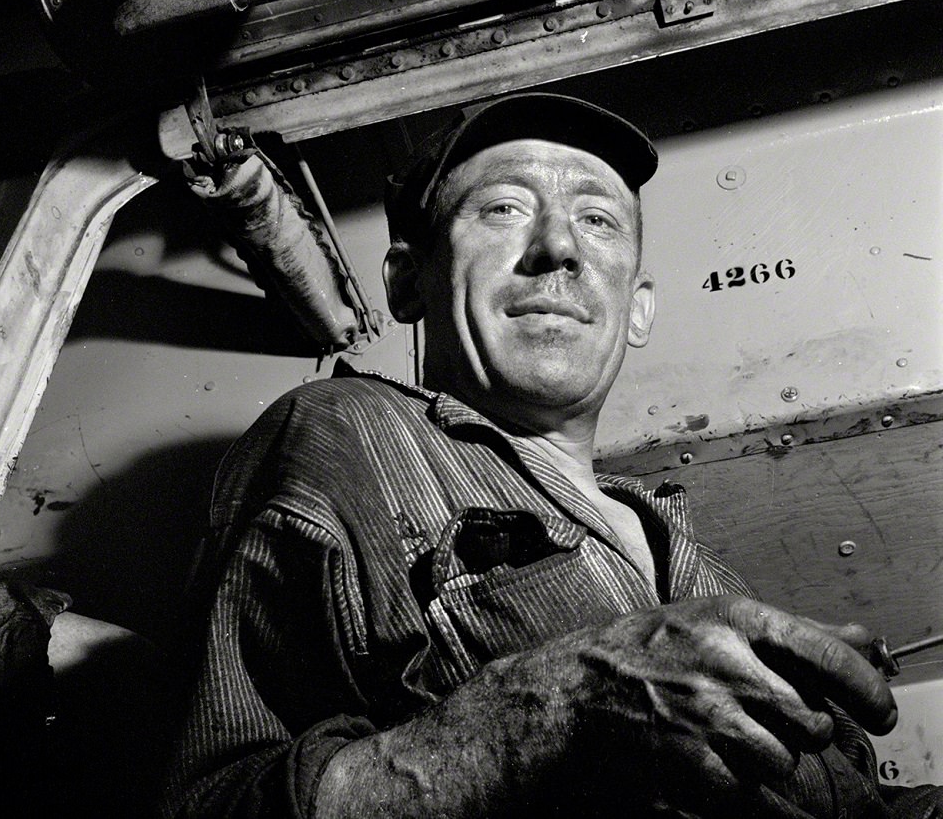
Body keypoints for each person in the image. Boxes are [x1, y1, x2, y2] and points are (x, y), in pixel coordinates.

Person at [162, 93, 939, 818]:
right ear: (407, 282)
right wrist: (549, 709)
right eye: (502, 209)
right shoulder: (343, 434)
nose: (559, 247)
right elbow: (207, 800)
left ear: (636, 310)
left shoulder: (696, 563)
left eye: (599, 221)